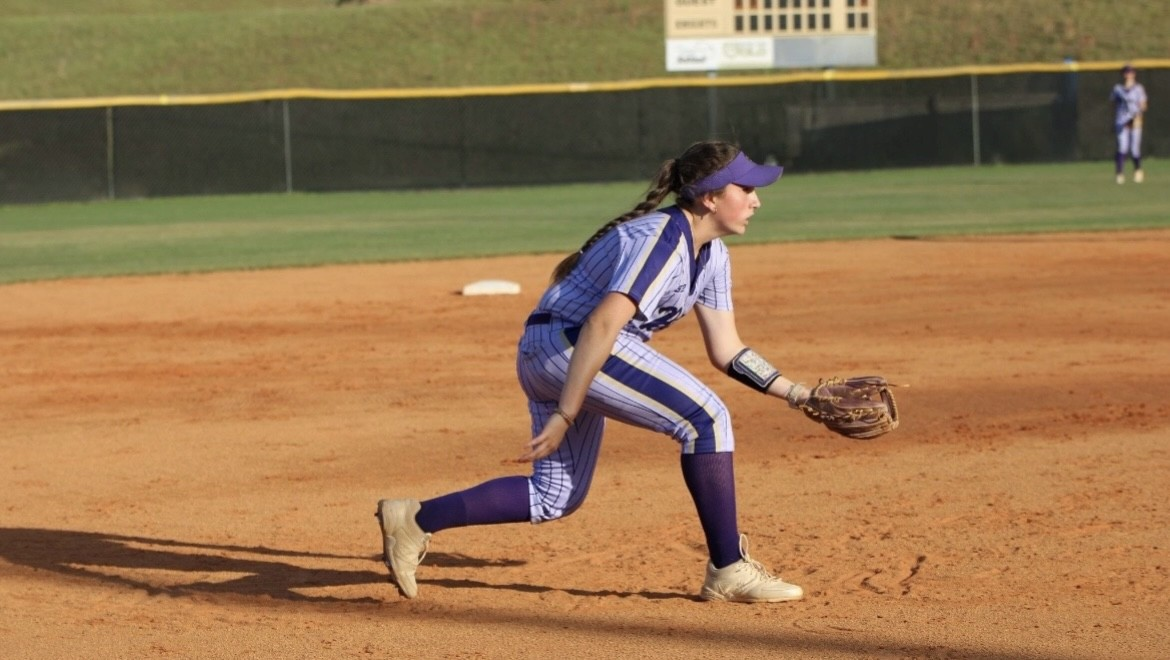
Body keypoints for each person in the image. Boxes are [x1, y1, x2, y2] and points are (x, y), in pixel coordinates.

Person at [376, 140, 817, 603]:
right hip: (570, 346)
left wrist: (800, 394)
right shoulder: (662, 239)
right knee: (706, 419)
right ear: (709, 197)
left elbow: (728, 350)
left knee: (556, 497)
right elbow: (603, 323)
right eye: (745, 188)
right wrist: (565, 413)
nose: (756, 199)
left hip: (557, 349)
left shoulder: (712, 254)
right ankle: (728, 567)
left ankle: (415, 519)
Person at [1111, 63, 1149, 184]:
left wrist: (1138, 112)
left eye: (1130, 72)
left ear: (1134, 74)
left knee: (1134, 149)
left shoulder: (1138, 88)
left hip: (1135, 119)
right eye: (1126, 72)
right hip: (1122, 120)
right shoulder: (1117, 88)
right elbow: (1112, 102)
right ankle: (1119, 173)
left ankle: (1138, 170)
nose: (1128, 74)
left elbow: (1143, 104)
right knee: (1122, 147)